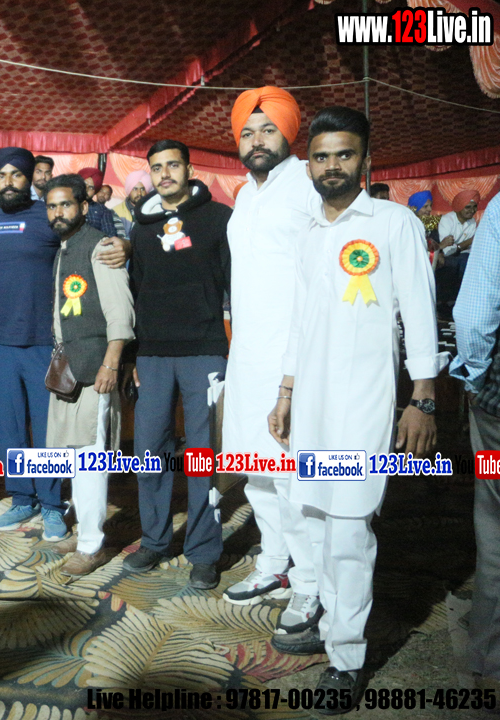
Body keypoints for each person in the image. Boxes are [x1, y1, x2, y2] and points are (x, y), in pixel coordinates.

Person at [268, 106, 443, 710]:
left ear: (366, 159)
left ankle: (345, 659)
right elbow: (300, 322)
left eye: (344, 154)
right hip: (311, 405)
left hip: (365, 403)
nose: (332, 166)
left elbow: (418, 311)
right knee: (313, 518)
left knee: (347, 530)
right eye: (321, 157)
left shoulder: (394, 224)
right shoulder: (309, 234)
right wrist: (286, 392)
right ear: (308, 165)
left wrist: (423, 399)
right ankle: (327, 619)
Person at [220, 87, 320, 630]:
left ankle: (310, 583)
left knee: (292, 477)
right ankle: (273, 565)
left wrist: (297, 368)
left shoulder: (307, 183)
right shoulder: (245, 195)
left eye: (268, 130)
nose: (257, 141)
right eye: (247, 132)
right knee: (255, 471)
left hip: (292, 354)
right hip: (248, 354)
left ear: (290, 134)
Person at [123, 139, 231, 589]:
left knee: (204, 455)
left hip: (204, 348)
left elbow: (236, 284)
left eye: (172, 165)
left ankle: (204, 551)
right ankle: (154, 540)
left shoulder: (219, 218)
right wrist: (133, 353)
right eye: (156, 167)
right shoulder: (140, 227)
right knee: (149, 450)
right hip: (152, 354)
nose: (164, 173)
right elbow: (135, 292)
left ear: (189, 169)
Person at [41, 174, 133, 576]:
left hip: (96, 371)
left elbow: (121, 312)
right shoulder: (65, 248)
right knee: (76, 456)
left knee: (91, 457)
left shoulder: (100, 246)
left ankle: (93, 546)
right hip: (71, 369)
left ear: (82, 206)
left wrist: (111, 363)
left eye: (65, 204)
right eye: (51, 206)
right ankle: (84, 533)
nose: (58, 212)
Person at [0, 147, 67, 540]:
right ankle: (21, 499)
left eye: (16, 174)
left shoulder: (47, 215)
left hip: (42, 342)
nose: (8, 182)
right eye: (1, 175)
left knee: (48, 432)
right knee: (8, 427)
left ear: (30, 179)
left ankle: (51, 505)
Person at [449, 194, 500, 698]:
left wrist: (474, 375)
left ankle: (492, 656)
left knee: (495, 519)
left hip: (497, 404)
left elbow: (475, 313)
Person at [77, 168, 118, 237]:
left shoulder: (103, 210)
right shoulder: (66, 204)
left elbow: (110, 234)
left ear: (95, 192)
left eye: (91, 187)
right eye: (84, 184)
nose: (86, 189)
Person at [113, 169, 153, 237]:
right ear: (129, 191)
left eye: (142, 189)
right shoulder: (117, 211)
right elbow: (121, 238)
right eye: (135, 189)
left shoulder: (152, 210)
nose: (139, 193)